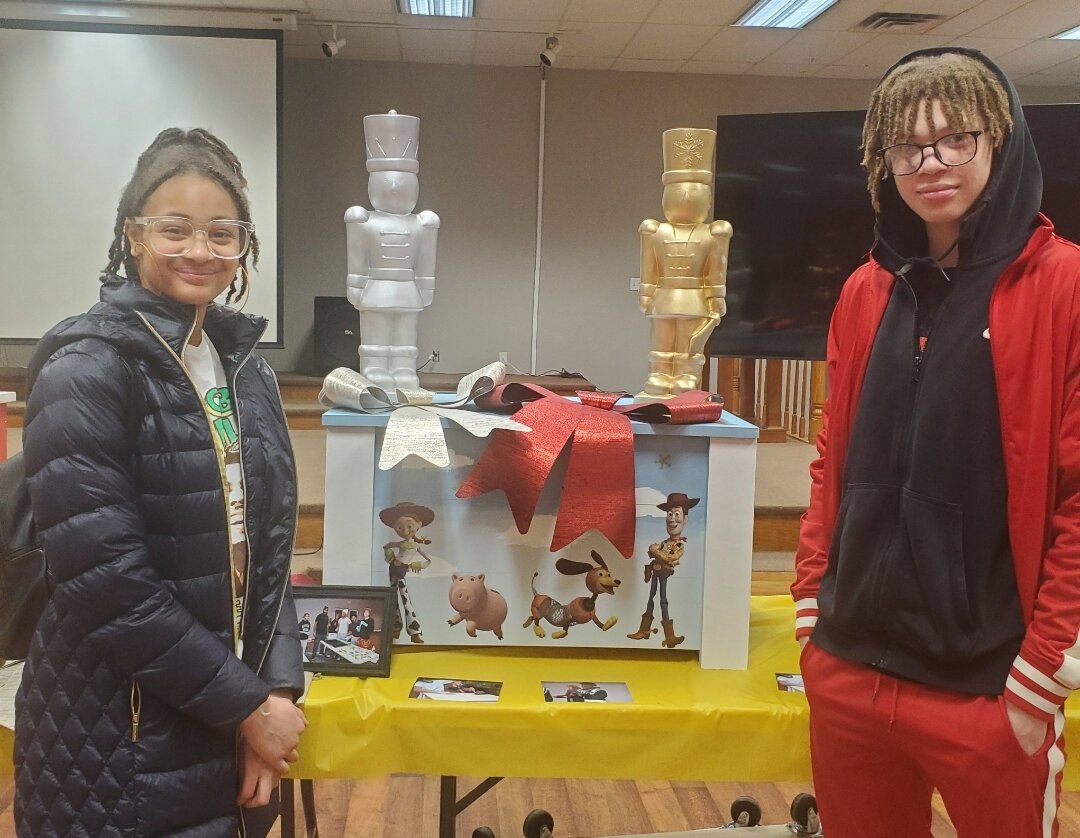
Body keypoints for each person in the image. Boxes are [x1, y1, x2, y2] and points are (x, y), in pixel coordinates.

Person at [792, 48, 1080, 836]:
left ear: (1001, 139)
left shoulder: (1065, 287)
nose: (932, 163)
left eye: (957, 138)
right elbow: (833, 461)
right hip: (849, 674)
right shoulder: (865, 289)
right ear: (884, 158)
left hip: (987, 692)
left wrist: (1040, 679)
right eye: (907, 145)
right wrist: (813, 609)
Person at [14, 128, 308, 837]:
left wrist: (276, 688)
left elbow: (265, 544)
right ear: (133, 235)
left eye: (221, 232)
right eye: (174, 229)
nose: (200, 251)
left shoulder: (244, 366)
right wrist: (248, 705)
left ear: (244, 244)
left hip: (223, 713)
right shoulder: (87, 367)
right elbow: (105, 580)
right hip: (117, 732)